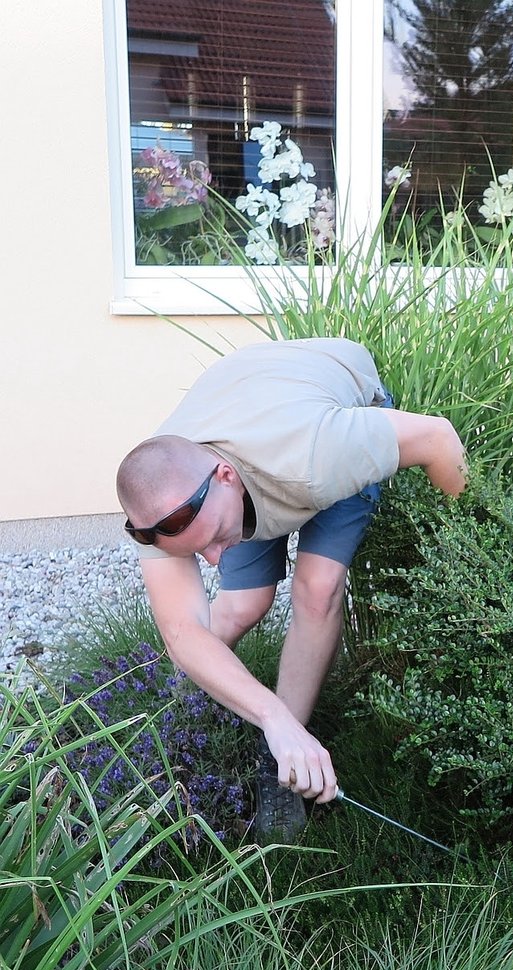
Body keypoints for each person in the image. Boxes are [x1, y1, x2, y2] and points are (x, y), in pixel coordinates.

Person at [115, 336, 467, 843]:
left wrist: (473, 548)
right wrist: (267, 713)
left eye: (214, 539)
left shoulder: (319, 455)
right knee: (242, 603)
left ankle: (279, 768)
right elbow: (182, 631)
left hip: (320, 406)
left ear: (226, 477)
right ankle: (171, 726)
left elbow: (438, 437)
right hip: (245, 412)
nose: (214, 558)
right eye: (197, 552)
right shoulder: (158, 502)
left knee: (317, 588)